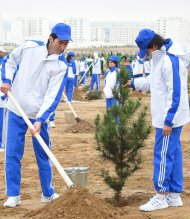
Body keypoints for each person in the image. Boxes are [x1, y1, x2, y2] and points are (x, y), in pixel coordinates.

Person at [0, 22, 72, 207]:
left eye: (66, 44)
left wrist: (40, 119)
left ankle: (47, 193)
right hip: (15, 110)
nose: (63, 47)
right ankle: (13, 195)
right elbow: (9, 61)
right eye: (60, 43)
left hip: (39, 116)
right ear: (51, 38)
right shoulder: (29, 47)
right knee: (13, 153)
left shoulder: (61, 66)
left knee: (43, 154)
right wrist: (7, 80)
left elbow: (52, 96)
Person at [125, 29, 190, 212]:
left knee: (162, 154)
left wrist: (168, 121)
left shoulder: (169, 60)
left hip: (168, 118)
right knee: (174, 154)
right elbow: (152, 82)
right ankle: (174, 195)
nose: (145, 54)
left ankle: (161, 195)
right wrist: (134, 83)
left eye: (146, 50)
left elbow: (175, 93)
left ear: (153, 46)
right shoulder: (159, 58)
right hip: (172, 116)